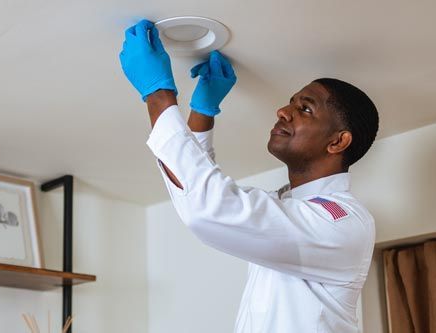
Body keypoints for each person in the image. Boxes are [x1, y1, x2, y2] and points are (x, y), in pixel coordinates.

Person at [119, 19, 379, 333]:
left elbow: (209, 207)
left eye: (305, 108)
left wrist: (158, 94)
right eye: (291, 101)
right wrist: (203, 112)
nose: (283, 110)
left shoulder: (341, 223)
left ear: (338, 141)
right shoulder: (289, 208)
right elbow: (199, 193)